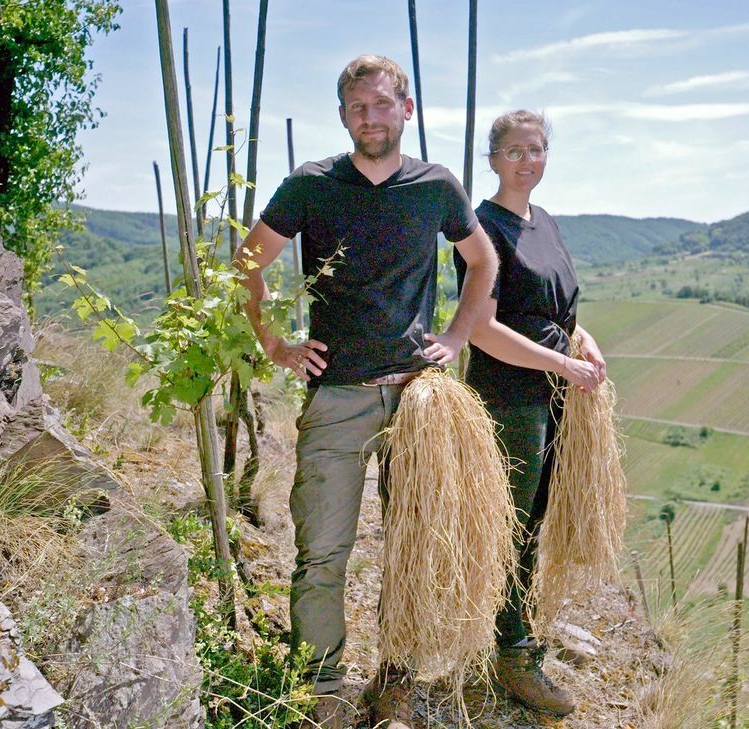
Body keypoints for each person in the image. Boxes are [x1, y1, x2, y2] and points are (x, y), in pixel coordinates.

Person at [234, 55, 498, 729]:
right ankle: (324, 688)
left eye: (381, 105)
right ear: (343, 114)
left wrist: (456, 336)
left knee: (413, 545)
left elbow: (482, 262)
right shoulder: (312, 184)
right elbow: (246, 265)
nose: (369, 118)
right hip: (337, 397)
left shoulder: (434, 186)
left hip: (418, 400)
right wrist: (275, 344)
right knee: (322, 548)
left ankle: (396, 684)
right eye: (356, 107)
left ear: (405, 111)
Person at [454, 110, 606, 717]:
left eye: (536, 149)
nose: (526, 160)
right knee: (512, 524)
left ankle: (510, 642)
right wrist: (561, 363)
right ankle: (512, 654)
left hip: (552, 392)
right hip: (511, 395)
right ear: (492, 160)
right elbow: (483, 329)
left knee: (535, 519)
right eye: (513, 150)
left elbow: (558, 307)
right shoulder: (482, 227)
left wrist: (584, 340)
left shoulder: (543, 223)